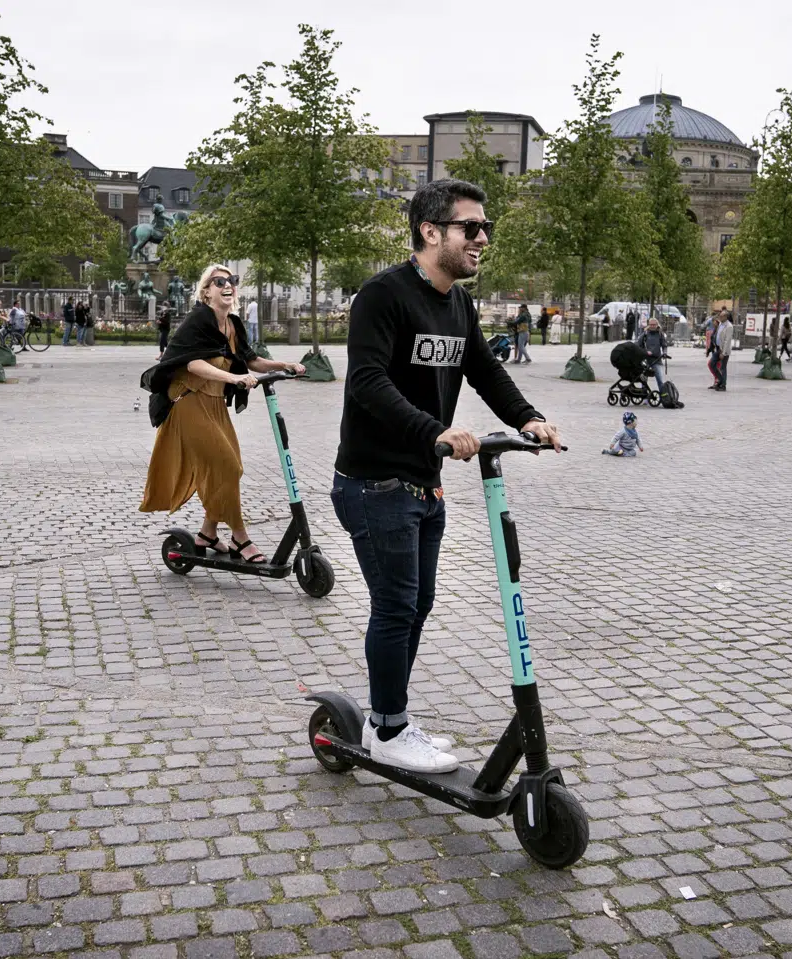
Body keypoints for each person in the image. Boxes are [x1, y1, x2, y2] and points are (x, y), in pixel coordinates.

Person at [333, 178, 560, 774]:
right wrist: (435, 430)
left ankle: (387, 717)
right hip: (375, 482)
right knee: (395, 605)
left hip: (422, 481)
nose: (483, 238)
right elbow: (367, 381)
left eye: (486, 228)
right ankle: (389, 729)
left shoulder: (458, 303)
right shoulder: (383, 295)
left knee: (418, 603)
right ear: (430, 232)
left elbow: (485, 370)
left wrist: (527, 418)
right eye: (471, 228)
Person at [140, 265, 305, 562]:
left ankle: (207, 534)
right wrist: (234, 378)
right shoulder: (197, 321)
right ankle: (240, 537)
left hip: (214, 404)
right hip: (188, 401)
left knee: (233, 468)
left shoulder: (232, 324)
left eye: (232, 280)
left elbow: (251, 360)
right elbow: (193, 364)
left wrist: (285, 365)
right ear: (206, 291)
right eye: (219, 281)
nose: (228, 285)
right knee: (226, 466)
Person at [635, 317, 669, 389]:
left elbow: (664, 345)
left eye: (654, 324)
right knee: (644, 380)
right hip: (646, 360)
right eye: (651, 324)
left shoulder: (660, 334)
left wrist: (665, 353)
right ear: (648, 325)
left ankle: (663, 394)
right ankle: (644, 394)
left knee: (660, 380)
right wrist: (645, 352)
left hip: (656, 359)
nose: (652, 326)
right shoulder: (645, 334)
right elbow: (638, 345)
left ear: (657, 325)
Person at [708, 310, 733, 390]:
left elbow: (727, 340)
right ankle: (721, 380)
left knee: (723, 367)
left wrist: (723, 352)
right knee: (711, 364)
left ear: (726, 317)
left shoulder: (729, 326)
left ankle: (723, 385)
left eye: (721, 316)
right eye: (720, 316)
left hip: (724, 350)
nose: (720, 317)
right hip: (718, 348)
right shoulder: (720, 324)